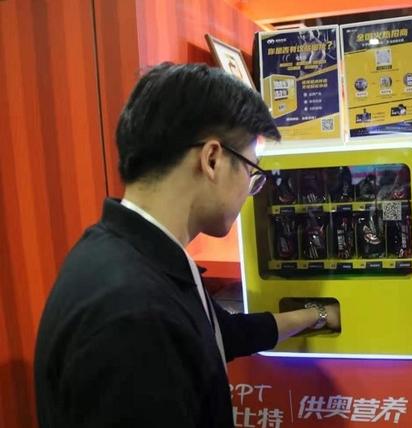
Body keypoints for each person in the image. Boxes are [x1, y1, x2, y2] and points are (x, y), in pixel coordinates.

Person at [34, 63, 341, 428]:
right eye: (251, 172)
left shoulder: (133, 257)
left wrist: (317, 315)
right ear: (212, 159)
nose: (250, 190)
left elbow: (220, 334)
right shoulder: (133, 316)